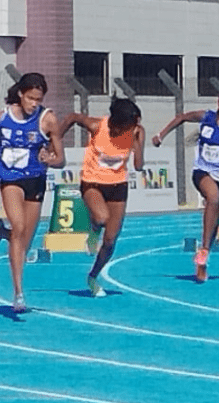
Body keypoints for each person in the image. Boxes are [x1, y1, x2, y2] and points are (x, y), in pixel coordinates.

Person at [0, 73, 65, 313]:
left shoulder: (47, 120)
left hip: (35, 181)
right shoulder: (2, 118)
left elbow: (61, 159)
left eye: (38, 99)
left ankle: (0, 231)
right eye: (30, 98)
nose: (34, 104)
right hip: (10, 178)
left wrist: (51, 159)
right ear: (20, 94)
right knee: (18, 228)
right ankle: (18, 293)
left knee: (24, 239)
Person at [152, 91, 219, 282]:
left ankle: (202, 262)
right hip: (203, 171)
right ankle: (204, 250)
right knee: (212, 198)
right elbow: (181, 118)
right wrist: (161, 135)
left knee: (215, 223)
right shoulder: (206, 117)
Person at [60, 97, 144, 297]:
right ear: (118, 122)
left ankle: (93, 277)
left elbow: (139, 166)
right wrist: (54, 142)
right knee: (101, 218)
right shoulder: (97, 126)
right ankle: (93, 230)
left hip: (118, 185)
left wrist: (136, 142)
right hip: (92, 182)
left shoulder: (136, 131)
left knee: (111, 240)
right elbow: (72, 117)